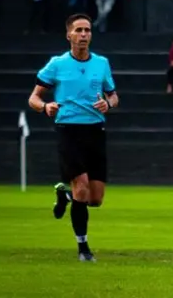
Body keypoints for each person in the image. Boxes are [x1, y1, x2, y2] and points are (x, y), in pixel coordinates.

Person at [27, 14, 118, 262]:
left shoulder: (101, 63)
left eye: (87, 30)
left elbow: (114, 96)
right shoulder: (56, 65)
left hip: (96, 131)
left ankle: (64, 197)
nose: (83, 34)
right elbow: (33, 98)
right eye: (78, 30)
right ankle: (83, 249)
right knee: (81, 187)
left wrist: (107, 104)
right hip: (68, 130)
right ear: (69, 35)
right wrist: (45, 107)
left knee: (95, 199)